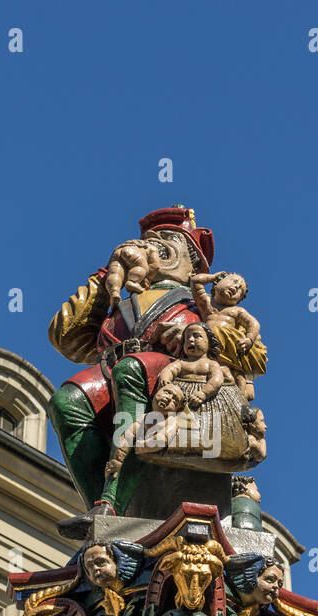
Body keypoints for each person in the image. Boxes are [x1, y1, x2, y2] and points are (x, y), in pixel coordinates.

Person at [46, 206, 266, 535]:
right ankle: (101, 507)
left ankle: (111, 497)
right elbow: (65, 337)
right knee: (67, 401)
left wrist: (205, 334)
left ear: (193, 260)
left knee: (131, 371)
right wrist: (107, 275)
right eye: (149, 240)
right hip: (112, 367)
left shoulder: (202, 303)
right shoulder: (118, 298)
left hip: (174, 374)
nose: (154, 245)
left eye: (167, 239)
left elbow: (256, 358)